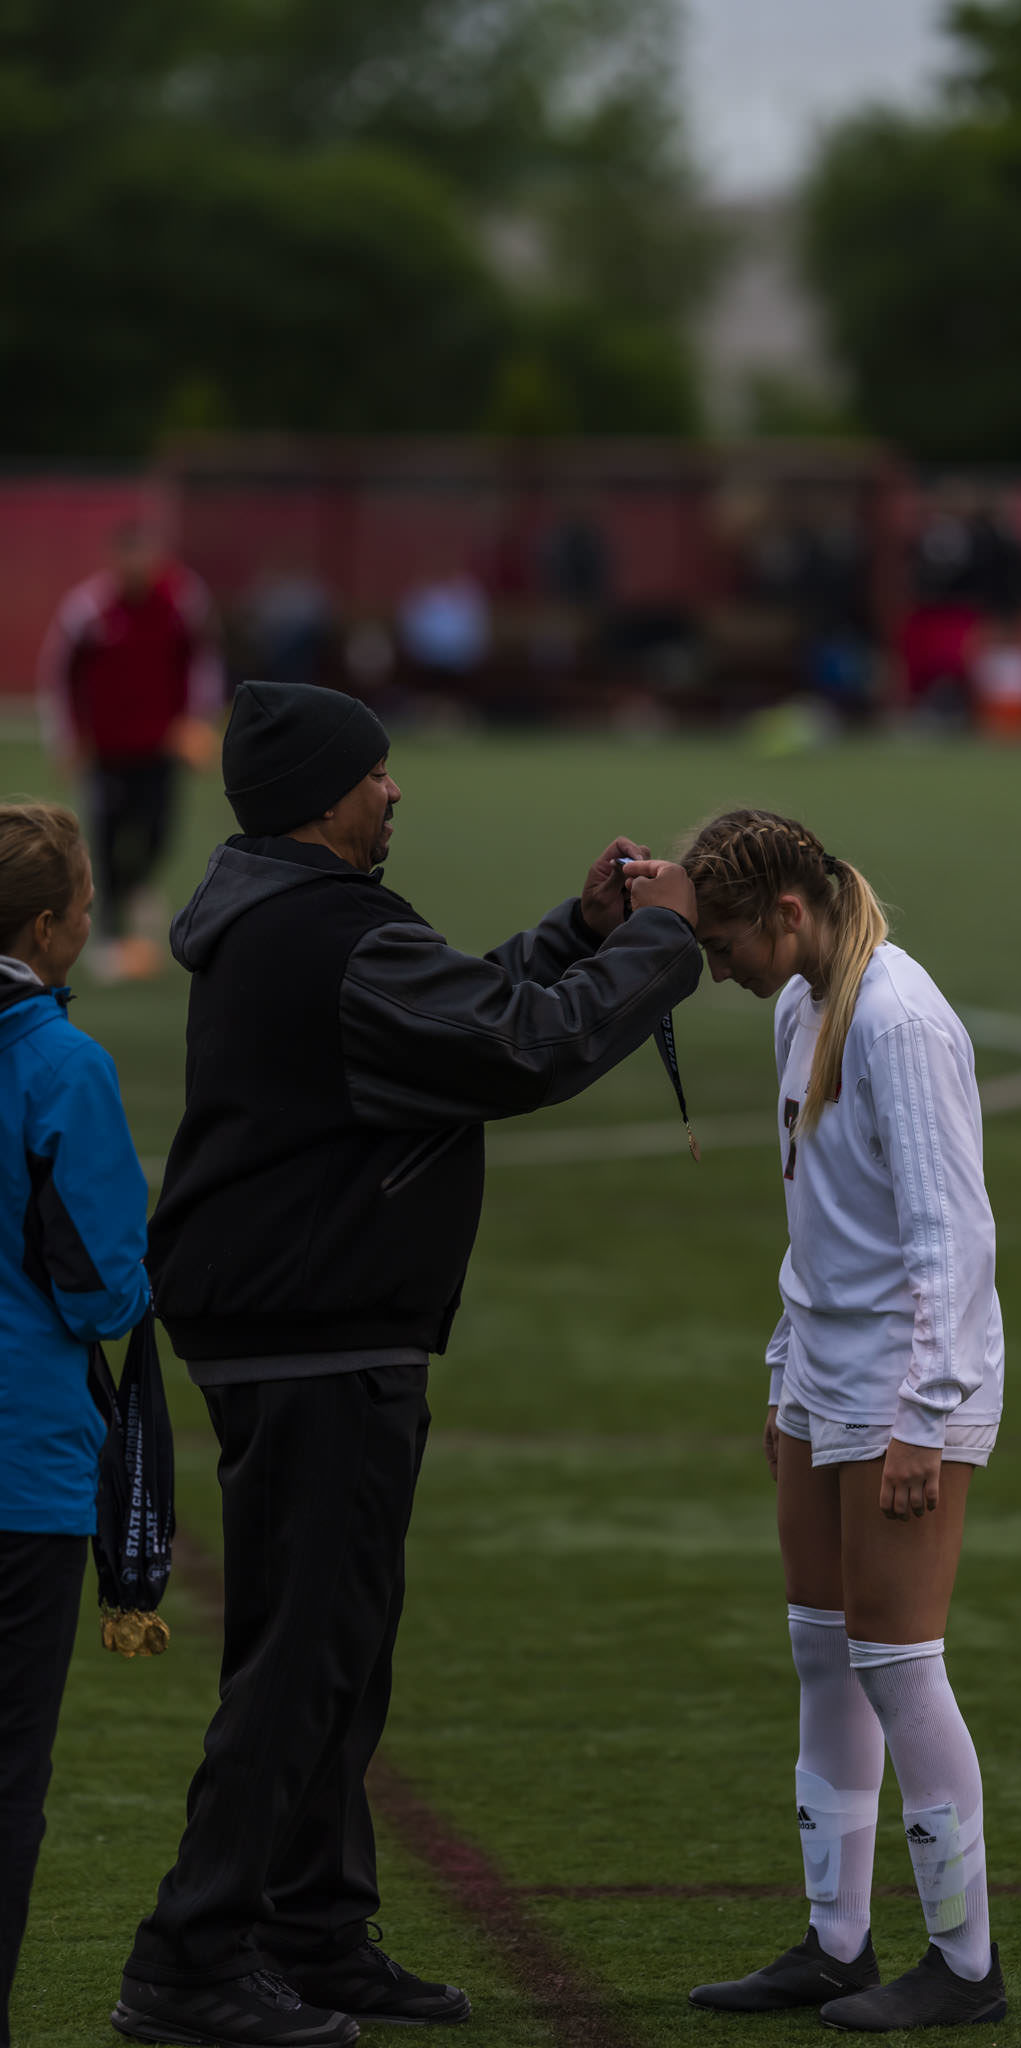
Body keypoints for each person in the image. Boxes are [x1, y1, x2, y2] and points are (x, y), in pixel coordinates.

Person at [113, 680, 700, 2048]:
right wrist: (658, 946)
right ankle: (188, 1962)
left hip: (296, 1321)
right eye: (374, 776)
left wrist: (576, 930)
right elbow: (517, 1047)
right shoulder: (331, 932)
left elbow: (462, 1005)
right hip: (314, 1327)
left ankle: (314, 1932)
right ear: (322, 799)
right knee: (305, 1656)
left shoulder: (287, 917)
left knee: (335, 1650)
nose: (393, 793)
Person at [680, 809, 1006, 2033]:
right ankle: (834, 1942)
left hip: (904, 1376)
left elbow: (948, 1234)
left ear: (788, 915)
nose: (716, 967)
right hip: (822, 1367)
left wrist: (922, 1413)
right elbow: (816, 1219)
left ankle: (966, 1964)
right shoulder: (797, 1003)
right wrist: (782, 1369)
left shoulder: (895, 1018)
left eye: (725, 943)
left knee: (893, 1656)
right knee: (821, 1646)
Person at [0, 802, 151, 2048]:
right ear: (46, 929)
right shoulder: (62, 1066)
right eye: (86, 908)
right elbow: (103, 1283)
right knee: (3, 1779)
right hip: (19, 1467)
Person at [36, 520, 224, 982]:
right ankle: (114, 937)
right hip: (106, 750)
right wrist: (67, 739)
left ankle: (140, 890)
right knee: (106, 836)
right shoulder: (88, 609)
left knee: (159, 830)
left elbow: (201, 661)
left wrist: (197, 720)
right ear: (114, 559)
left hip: (162, 745)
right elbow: (59, 674)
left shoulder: (181, 600)